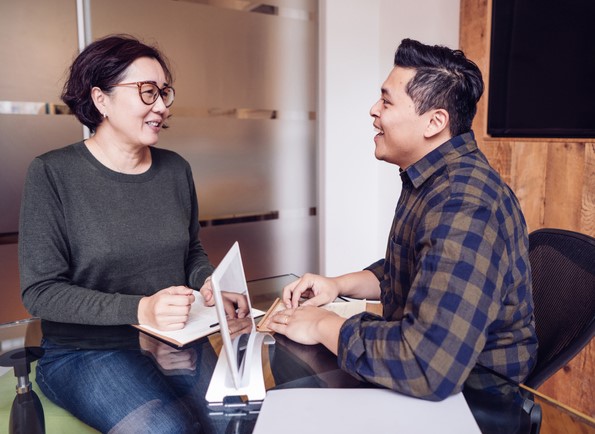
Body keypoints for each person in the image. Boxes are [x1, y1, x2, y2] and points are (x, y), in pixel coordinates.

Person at [268, 38, 538, 401]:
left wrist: (323, 324)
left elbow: (426, 365)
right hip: (434, 376)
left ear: (434, 122)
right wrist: (337, 284)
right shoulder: (432, 178)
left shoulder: (465, 203)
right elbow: (416, 270)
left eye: (386, 100)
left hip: (472, 395)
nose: (373, 110)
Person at [18, 34, 225, 331]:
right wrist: (140, 309)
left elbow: (191, 251)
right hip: (87, 345)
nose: (162, 106)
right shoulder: (51, 172)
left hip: (176, 334)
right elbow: (42, 292)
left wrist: (209, 282)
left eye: (163, 93)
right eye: (147, 92)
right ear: (101, 99)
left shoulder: (176, 169)